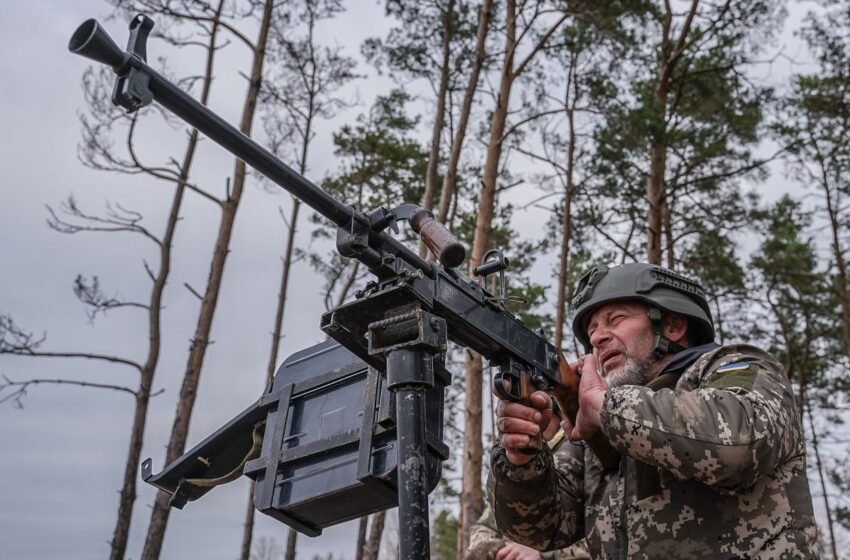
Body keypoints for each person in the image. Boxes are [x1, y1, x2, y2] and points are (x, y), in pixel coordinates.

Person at [488, 263, 820, 559]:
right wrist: (522, 458)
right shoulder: (600, 431)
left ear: (672, 326)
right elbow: (538, 528)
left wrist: (606, 406)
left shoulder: (735, 367)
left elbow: (739, 442)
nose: (597, 338)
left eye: (616, 319)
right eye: (591, 331)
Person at [466, 411, 590, 560]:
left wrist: (545, 554)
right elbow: (483, 530)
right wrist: (504, 550)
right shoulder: (512, 473)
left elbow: (601, 534)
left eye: (541, 414)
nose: (533, 421)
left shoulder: (583, 453)